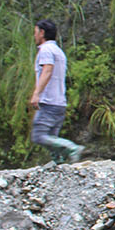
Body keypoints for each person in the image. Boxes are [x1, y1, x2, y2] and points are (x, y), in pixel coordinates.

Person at [28, 18, 84, 164]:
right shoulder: (58, 51)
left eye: (35, 32)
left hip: (49, 101)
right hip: (59, 103)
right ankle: (58, 164)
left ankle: (72, 148)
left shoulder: (46, 50)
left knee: (39, 136)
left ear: (42, 33)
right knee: (52, 139)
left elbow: (47, 70)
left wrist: (36, 93)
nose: (34, 36)